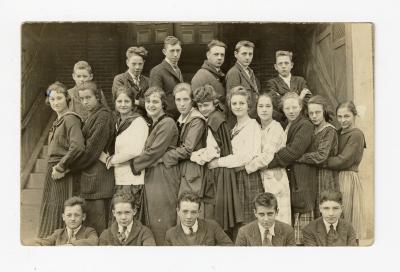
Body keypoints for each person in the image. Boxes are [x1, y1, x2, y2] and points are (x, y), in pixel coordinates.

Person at [208, 86, 264, 232]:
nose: (238, 106)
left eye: (242, 103)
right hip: (235, 178)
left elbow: (246, 156)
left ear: (248, 105)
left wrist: (218, 162)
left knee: (248, 222)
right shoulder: (234, 128)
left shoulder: (253, 126)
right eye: (234, 103)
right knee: (239, 226)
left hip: (247, 178)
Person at [129, 87, 180, 245]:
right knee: (155, 217)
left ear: (163, 104)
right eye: (149, 102)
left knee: (163, 217)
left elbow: (154, 151)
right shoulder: (155, 123)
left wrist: (134, 164)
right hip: (155, 173)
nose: (151, 105)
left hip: (164, 174)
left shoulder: (167, 123)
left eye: (156, 101)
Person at [191, 84, 243, 236]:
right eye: (200, 106)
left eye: (206, 105)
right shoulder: (219, 116)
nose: (203, 109)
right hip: (223, 168)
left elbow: (213, 151)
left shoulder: (213, 120)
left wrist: (196, 157)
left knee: (217, 211)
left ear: (214, 103)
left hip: (218, 171)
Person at [266, 92, 317, 245]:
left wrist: (268, 162)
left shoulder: (305, 125)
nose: (291, 111)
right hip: (293, 175)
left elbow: (294, 151)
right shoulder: (287, 125)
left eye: (295, 107)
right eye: (287, 108)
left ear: (301, 107)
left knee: (303, 216)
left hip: (303, 176)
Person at [37, 82, 85, 238]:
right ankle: (49, 240)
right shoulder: (58, 121)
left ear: (67, 99)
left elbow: (77, 147)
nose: (56, 102)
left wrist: (61, 167)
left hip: (62, 171)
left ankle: (60, 241)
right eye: (52, 99)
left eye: (59, 98)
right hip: (54, 169)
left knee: (61, 207)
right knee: (52, 207)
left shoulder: (71, 119)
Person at [71, 81, 115, 236]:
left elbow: (91, 151)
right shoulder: (93, 115)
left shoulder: (103, 116)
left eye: (88, 97)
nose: (85, 102)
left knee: (98, 229)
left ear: (97, 96)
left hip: (99, 181)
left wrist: (71, 166)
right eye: (82, 99)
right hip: (92, 179)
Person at [322, 101, 366, 241]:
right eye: (339, 116)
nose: (342, 120)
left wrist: (321, 161)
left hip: (347, 177)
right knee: (336, 216)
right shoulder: (338, 132)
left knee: (347, 213)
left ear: (354, 115)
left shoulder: (356, 134)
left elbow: (343, 160)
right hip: (336, 176)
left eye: (347, 116)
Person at [245, 93, 291, 225]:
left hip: (276, 178)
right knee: (264, 218)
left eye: (268, 106)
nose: (264, 109)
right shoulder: (258, 128)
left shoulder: (276, 128)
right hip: (262, 176)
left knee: (278, 217)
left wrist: (245, 167)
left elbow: (266, 156)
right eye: (261, 106)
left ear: (273, 109)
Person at [105, 86, 149, 223]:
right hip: (119, 178)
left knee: (131, 218)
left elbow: (136, 150)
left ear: (132, 103)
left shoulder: (138, 122)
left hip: (133, 180)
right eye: (119, 101)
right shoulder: (118, 122)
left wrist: (112, 160)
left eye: (126, 101)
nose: (123, 105)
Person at [161, 83, 207, 196]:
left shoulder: (196, 120)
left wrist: (163, 157)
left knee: (190, 204)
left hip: (192, 170)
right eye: (178, 100)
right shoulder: (181, 119)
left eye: (186, 99)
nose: (182, 104)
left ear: (192, 100)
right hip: (181, 167)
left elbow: (187, 149)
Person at [297, 95, 339, 216]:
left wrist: (299, 158)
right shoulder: (312, 129)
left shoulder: (329, 130)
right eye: (311, 113)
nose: (314, 116)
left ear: (324, 111)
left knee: (325, 206)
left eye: (317, 112)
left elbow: (321, 155)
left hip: (325, 174)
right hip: (312, 173)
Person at [165, 192, 233, 246]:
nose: (189, 216)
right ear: (178, 211)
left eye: (193, 212)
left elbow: (230, 248)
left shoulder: (212, 226)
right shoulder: (171, 234)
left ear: (198, 213)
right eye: (185, 212)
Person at [266, 50, 311, 123]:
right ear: (276, 66)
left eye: (286, 63)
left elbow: (308, 100)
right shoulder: (272, 83)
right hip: (282, 122)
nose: (283, 66)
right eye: (280, 64)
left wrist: (283, 97)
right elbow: (276, 104)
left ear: (292, 65)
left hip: (302, 120)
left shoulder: (300, 81)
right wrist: (300, 97)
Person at [225, 40, 260, 128]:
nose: (248, 57)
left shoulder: (250, 71)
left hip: (252, 119)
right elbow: (233, 103)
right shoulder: (234, 73)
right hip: (242, 121)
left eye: (250, 54)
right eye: (244, 54)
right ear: (236, 54)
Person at [149, 36, 184, 119]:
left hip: (179, 116)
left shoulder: (177, 69)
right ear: (164, 52)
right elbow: (155, 99)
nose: (175, 54)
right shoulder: (157, 71)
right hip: (166, 118)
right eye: (172, 51)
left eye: (178, 50)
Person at [112, 46, 149, 118]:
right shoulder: (120, 79)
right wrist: (142, 102)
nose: (137, 67)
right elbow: (121, 101)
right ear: (127, 62)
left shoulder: (147, 81)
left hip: (145, 119)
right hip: (126, 118)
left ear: (144, 63)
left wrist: (136, 101)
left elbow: (150, 103)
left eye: (140, 64)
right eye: (134, 64)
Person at [191, 40, 227, 104]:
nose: (220, 58)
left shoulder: (219, 73)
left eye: (222, 55)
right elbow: (198, 103)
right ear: (208, 55)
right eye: (216, 54)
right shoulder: (201, 76)